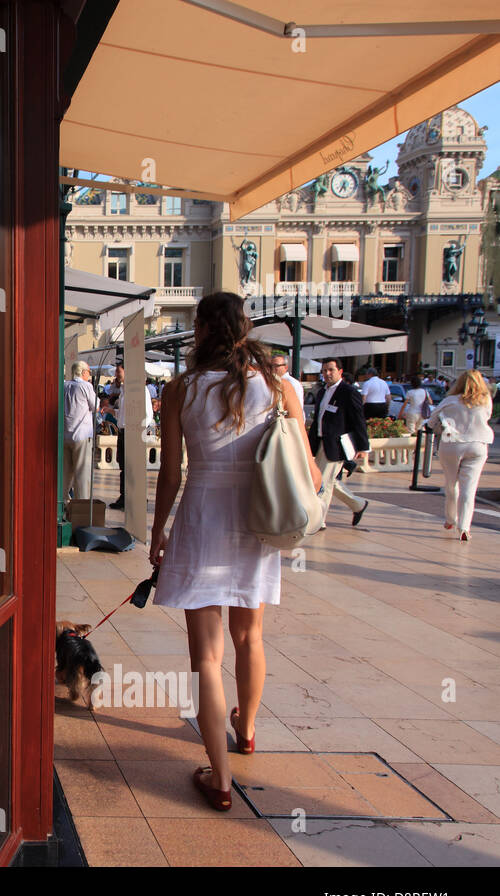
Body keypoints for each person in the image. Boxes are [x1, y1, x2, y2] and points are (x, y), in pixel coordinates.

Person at [150, 292, 322, 812]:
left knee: (206, 655)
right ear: (244, 329)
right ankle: (245, 731)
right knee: (251, 636)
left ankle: (220, 779)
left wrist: (158, 529)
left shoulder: (181, 389)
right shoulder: (276, 385)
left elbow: (171, 472)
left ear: (200, 330)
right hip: (257, 518)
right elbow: (310, 471)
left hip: (203, 516)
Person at [426, 369, 494, 541]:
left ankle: (450, 519)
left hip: (452, 443)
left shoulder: (450, 401)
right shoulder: (485, 401)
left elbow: (432, 420)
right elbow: (487, 417)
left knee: (451, 484)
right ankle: (464, 527)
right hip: (478, 444)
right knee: (469, 489)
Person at [309, 357, 371, 528]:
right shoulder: (322, 392)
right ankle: (357, 504)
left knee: (321, 482)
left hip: (336, 445)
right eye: (324, 371)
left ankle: (318, 520)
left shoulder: (349, 392)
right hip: (321, 442)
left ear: (340, 371)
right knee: (328, 481)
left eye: (331, 370)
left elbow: (359, 420)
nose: (327, 374)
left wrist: (363, 446)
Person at [108, 364, 154, 510]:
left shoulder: (141, 389)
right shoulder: (123, 390)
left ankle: (139, 497)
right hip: (123, 432)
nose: (116, 374)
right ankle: (124, 496)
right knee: (124, 466)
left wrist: (139, 431)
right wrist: (112, 411)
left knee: (134, 467)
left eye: (118, 371)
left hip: (134, 433)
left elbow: (148, 414)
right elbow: (123, 414)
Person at [62, 360, 97, 499]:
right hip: (81, 435)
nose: (89, 375)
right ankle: (81, 508)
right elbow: (95, 406)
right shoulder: (86, 386)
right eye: (89, 372)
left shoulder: (64, 385)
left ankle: (62, 505)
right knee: (82, 475)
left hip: (65, 435)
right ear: (83, 372)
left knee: (65, 475)